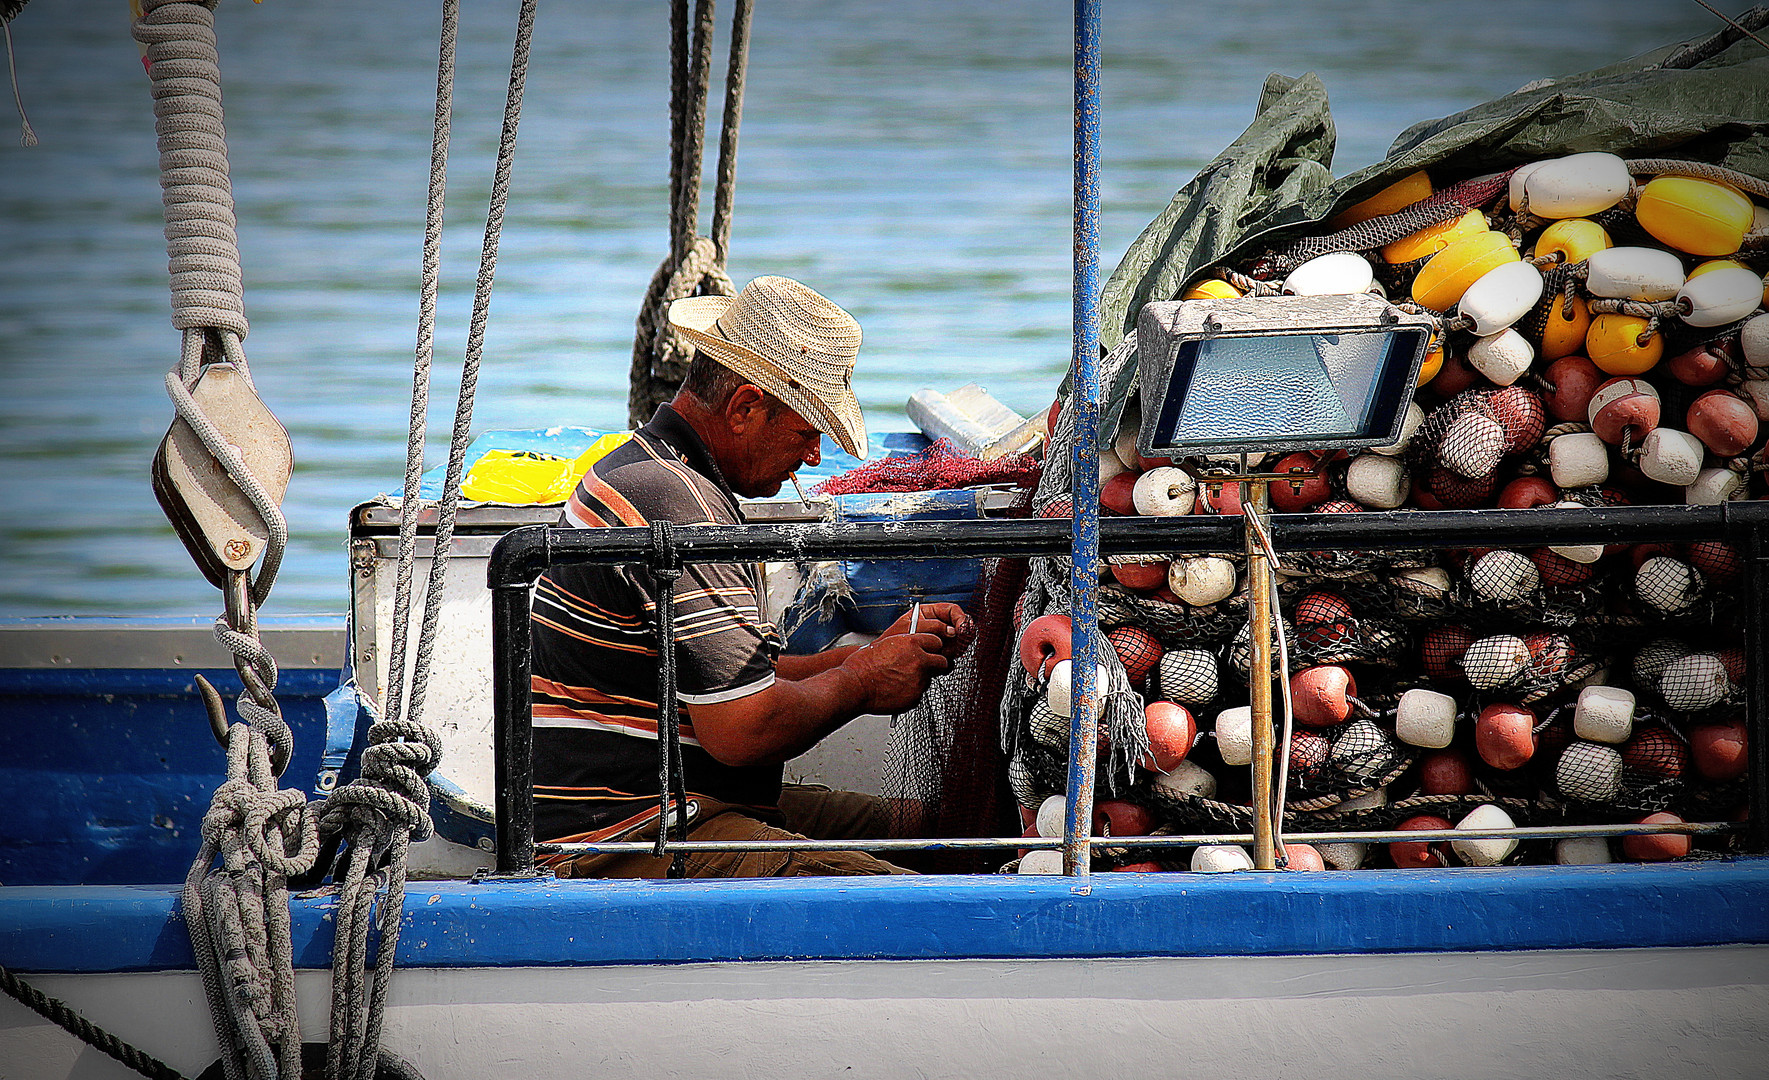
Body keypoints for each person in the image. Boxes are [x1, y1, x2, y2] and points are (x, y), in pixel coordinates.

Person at [529, 275, 972, 877]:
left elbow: (732, 682)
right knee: (917, 898)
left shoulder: (652, 471)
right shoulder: (675, 504)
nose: (815, 457)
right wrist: (863, 684)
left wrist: (867, 659)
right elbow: (743, 730)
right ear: (744, 408)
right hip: (626, 838)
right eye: (807, 432)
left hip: (676, 804)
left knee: (945, 831)